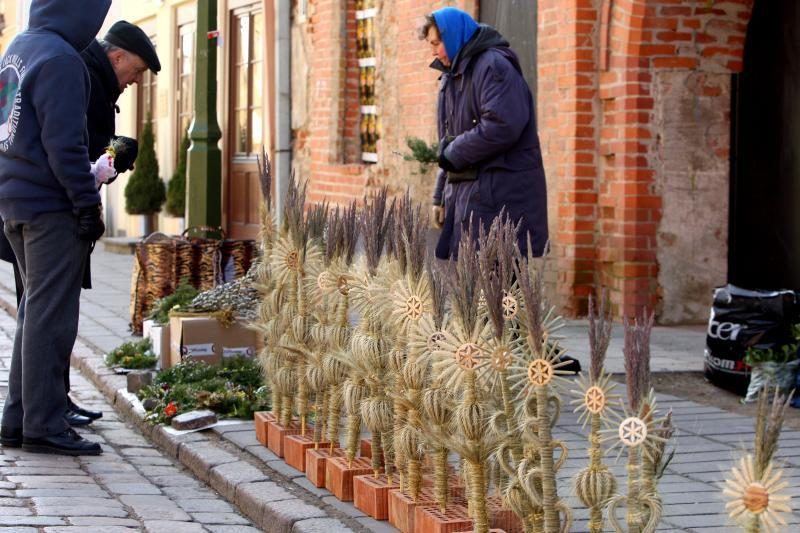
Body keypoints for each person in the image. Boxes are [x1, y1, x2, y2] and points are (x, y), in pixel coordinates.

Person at [0, 0, 111, 455]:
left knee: (33, 313)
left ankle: (18, 417)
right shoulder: (62, 58)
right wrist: (88, 206)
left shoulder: (19, 47)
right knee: (51, 318)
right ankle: (43, 424)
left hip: (13, 199)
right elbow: (65, 144)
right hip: (50, 207)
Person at [57, 20, 161, 425]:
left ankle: (51, 401)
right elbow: (71, 147)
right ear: (115, 56)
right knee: (51, 315)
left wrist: (113, 155)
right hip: (58, 212)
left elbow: (88, 151)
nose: (135, 81)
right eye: (134, 71)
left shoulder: (94, 75)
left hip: (61, 208)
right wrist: (91, 197)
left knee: (54, 313)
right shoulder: (83, 75)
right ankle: (45, 408)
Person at [420, 7, 549, 260]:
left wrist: (453, 153)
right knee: (475, 293)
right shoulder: (453, 76)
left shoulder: (493, 66)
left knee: (499, 293)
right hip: (473, 199)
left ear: (455, 35)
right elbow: (448, 142)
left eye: (437, 43)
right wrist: (441, 195)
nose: (433, 52)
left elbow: (502, 125)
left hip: (499, 199)